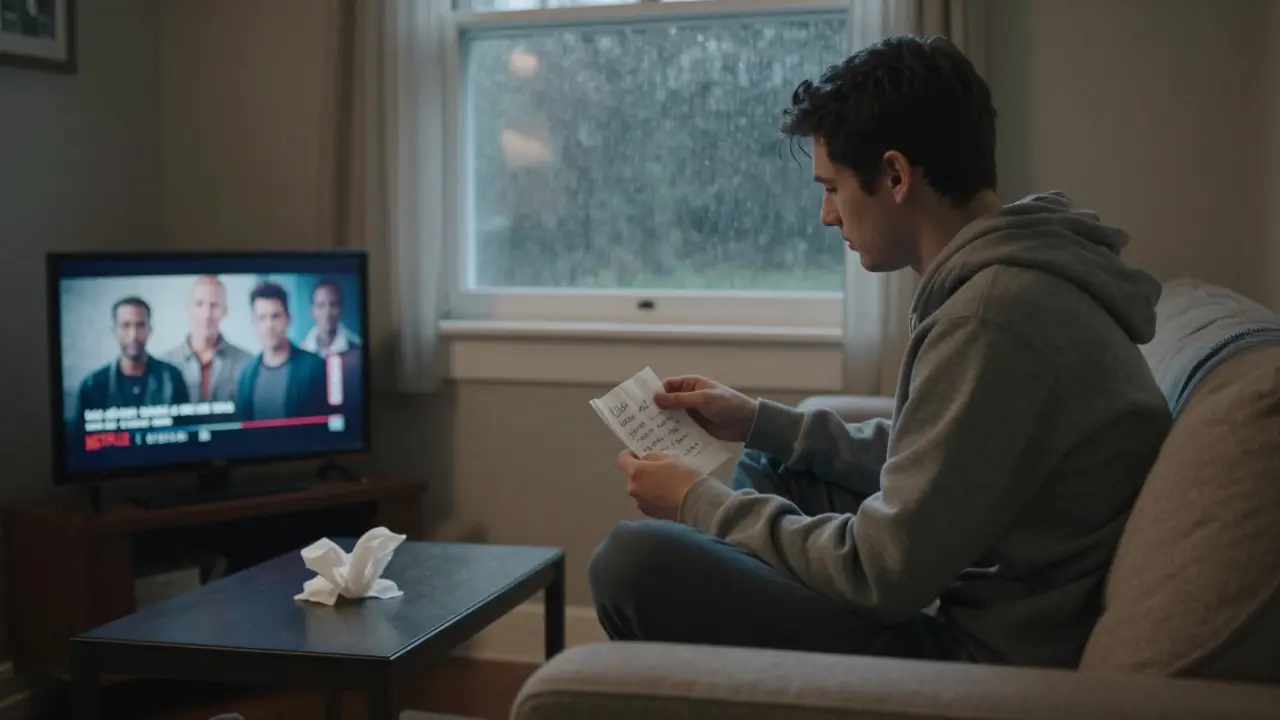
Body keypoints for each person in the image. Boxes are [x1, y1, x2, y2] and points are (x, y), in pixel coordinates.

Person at [589, 35, 1173, 669]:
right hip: (958, 579)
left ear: (895, 176)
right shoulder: (1012, 282)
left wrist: (696, 501)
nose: (826, 215)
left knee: (632, 563)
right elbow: (934, 461)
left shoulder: (994, 317)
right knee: (776, 461)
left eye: (834, 186)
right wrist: (759, 419)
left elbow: (883, 571)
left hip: (980, 657)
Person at [75, 297, 190, 420]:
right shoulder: (93, 385)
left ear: (149, 330)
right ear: (115, 331)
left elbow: (185, 430)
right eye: (126, 326)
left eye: (140, 325)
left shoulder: (171, 378)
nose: (133, 335)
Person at [235, 281, 329, 421]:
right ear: (254, 322)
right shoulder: (246, 375)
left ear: (288, 319)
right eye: (262, 318)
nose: (269, 325)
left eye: (275, 316)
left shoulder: (315, 367)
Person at [160, 275, 252, 405]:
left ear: (224, 311)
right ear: (188, 308)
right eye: (199, 304)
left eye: (214, 305)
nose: (207, 314)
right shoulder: (164, 364)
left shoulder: (246, 363)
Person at [300, 279, 362, 358]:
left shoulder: (357, 348)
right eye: (321, 305)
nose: (327, 313)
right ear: (313, 311)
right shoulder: (303, 350)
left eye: (333, 305)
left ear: (341, 308)